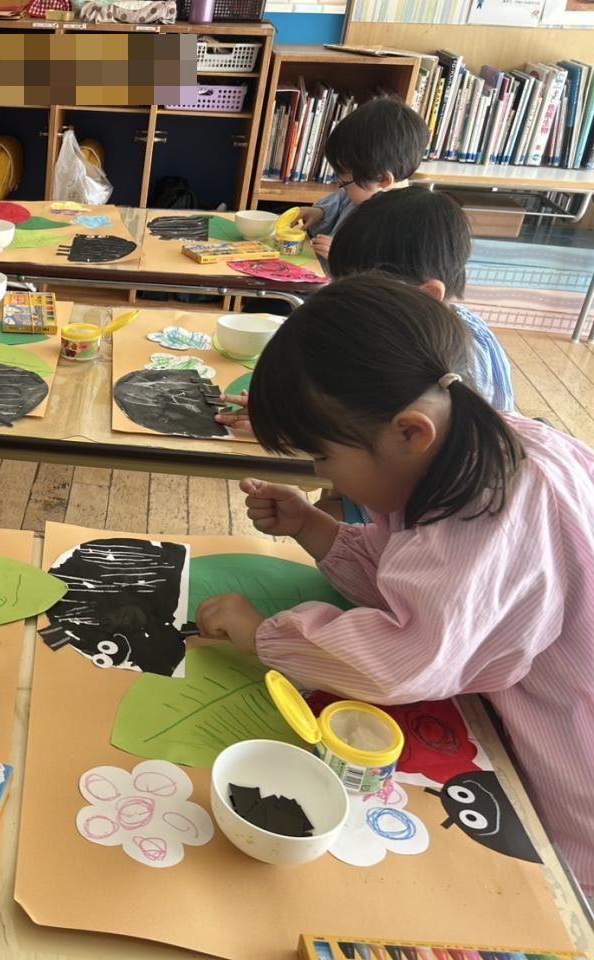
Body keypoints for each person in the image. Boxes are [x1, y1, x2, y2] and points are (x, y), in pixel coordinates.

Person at [196, 273, 594, 899]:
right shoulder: (478, 451)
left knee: (550, 899)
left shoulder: (490, 513)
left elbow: (403, 660)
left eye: (324, 457)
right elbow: (407, 578)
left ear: (410, 432)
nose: (324, 476)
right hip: (532, 715)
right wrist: (313, 527)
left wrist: (262, 634)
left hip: (571, 767)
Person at [328, 187, 514, 413]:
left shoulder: (465, 354)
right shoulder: (391, 322)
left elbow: (495, 420)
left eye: (360, 293)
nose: (344, 301)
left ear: (427, 295)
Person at [296, 97, 429, 260]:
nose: (342, 188)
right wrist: (320, 213)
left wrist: (345, 257)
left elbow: (386, 269)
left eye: (345, 184)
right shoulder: (365, 195)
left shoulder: (406, 227)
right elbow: (341, 202)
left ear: (384, 180)